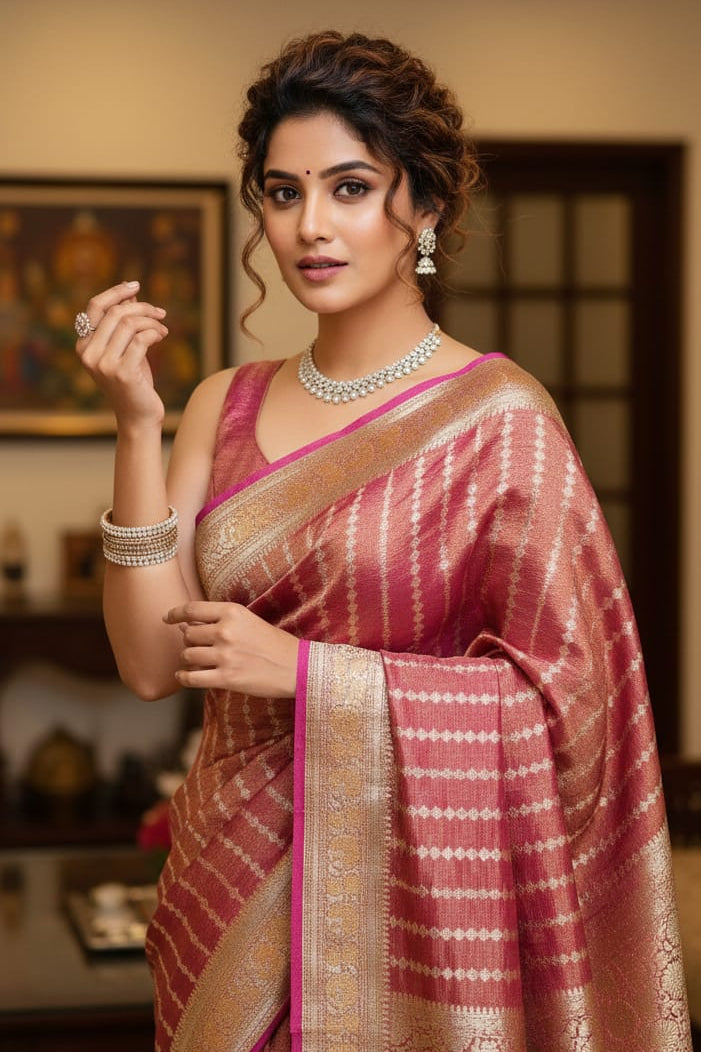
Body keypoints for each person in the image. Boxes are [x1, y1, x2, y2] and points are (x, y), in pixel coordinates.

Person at [75, 30, 691, 1052]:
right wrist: (136, 426)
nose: (309, 226)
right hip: (226, 887)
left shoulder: (499, 421)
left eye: (349, 188)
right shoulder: (220, 405)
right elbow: (147, 663)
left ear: (426, 205)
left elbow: (569, 708)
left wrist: (310, 673)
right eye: (281, 193)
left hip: (417, 918)